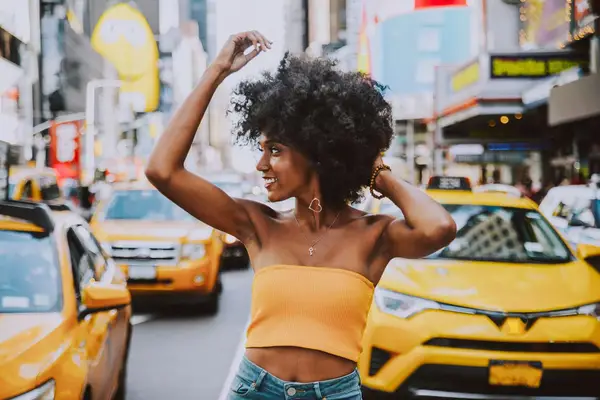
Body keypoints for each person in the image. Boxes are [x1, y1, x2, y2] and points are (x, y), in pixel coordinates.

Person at [146, 31, 456, 400]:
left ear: (316, 150)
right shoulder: (257, 226)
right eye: (261, 150)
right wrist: (217, 71)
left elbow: (440, 227)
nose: (261, 164)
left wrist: (375, 170)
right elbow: (162, 170)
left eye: (274, 150)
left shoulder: (375, 236)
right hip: (255, 390)